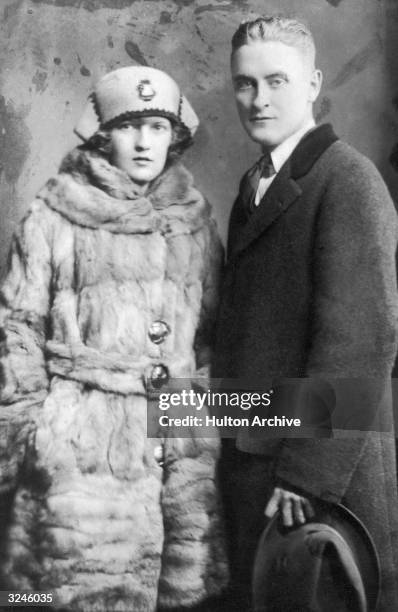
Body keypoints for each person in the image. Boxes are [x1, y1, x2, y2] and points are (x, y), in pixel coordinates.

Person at [0, 66, 227, 611]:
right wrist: (37, 436)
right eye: (129, 127)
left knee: (179, 598)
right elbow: (17, 332)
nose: (145, 141)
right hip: (79, 457)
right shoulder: (55, 214)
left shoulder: (194, 225)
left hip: (177, 451)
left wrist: (202, 428)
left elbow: (211, 339)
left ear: (175, 134)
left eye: (157, 125)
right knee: (61, 596)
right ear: (103, 133)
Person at [213, 16, 398, 611]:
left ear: (314, 83)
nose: (259, 99)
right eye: (245, 84)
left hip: (314, 475)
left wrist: (307, 474)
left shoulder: (347, 179)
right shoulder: (257, 184)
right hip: (257, 456)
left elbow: (364, 340)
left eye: (276, 80)